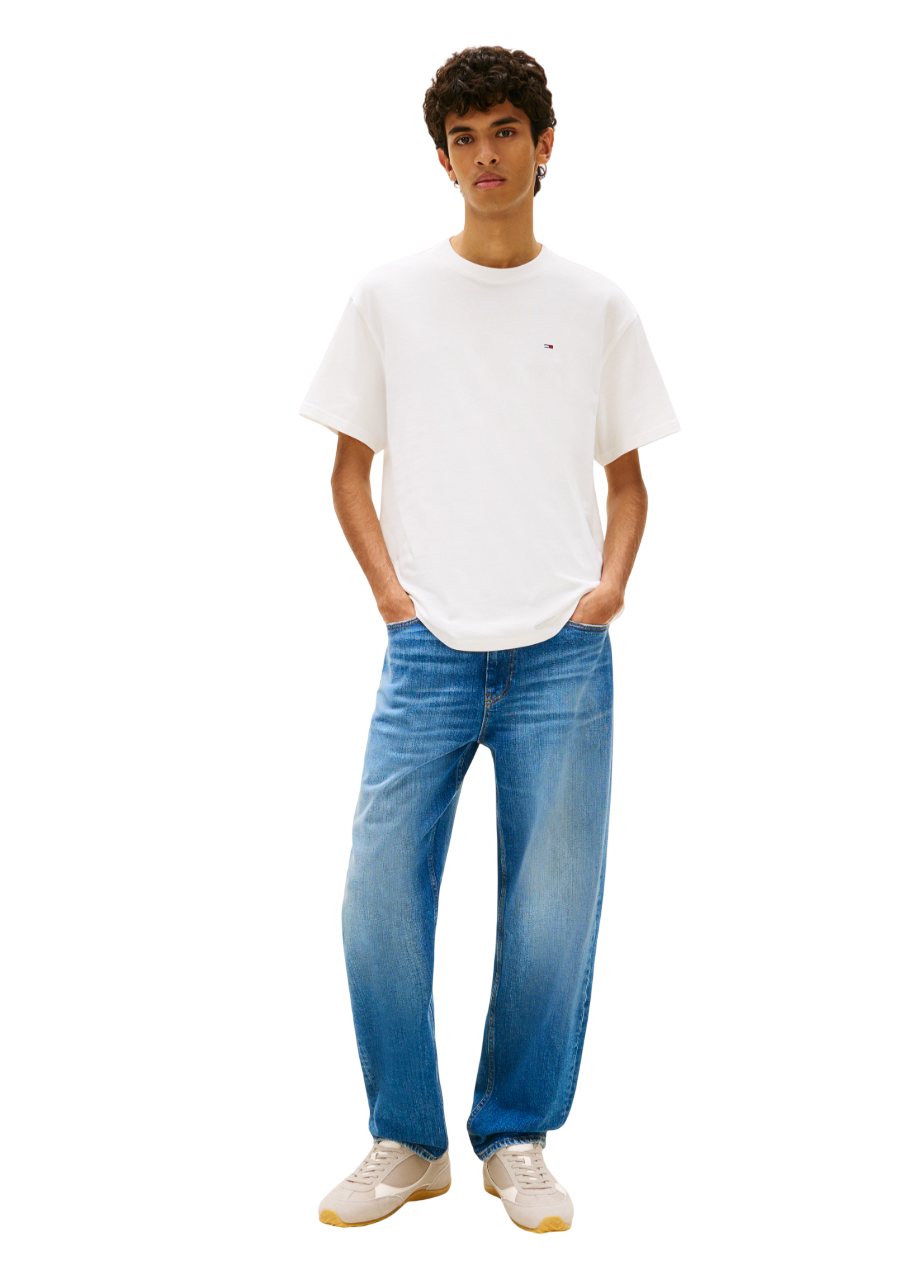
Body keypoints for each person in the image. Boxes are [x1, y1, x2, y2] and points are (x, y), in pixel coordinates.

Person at [299, 45, 680, 1234]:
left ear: (544, 144)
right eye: (462, 138)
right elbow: (348, 470)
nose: (484, 156)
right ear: (443, 157)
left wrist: (609, 587)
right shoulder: (389, 297)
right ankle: (407, 1138)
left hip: (563, 652)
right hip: (426, 651)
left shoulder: (598, 305)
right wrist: (392, 598)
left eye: (504, 131)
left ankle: (517, 1135)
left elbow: (629, 481)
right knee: (376, 895)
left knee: (552, 906)